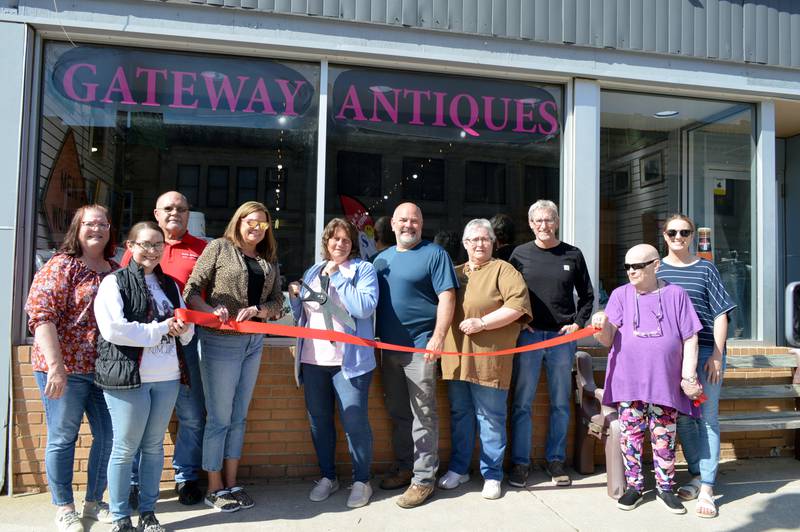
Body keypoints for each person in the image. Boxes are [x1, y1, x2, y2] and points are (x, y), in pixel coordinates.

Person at [184, 201, 285, 513]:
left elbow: (278, 302)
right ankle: (214, 487)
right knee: (219, 418)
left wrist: (260, 310)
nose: (256, 228)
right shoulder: (218, 248)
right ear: (238, 221)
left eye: (262, 224)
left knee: (239, 416)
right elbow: (191, 292)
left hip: (254, 340)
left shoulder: (267, 259)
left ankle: (232, 482)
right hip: (220, 341)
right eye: (250, 221)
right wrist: (211, 312)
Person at [94, 221, 194, 532]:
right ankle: (121, 516)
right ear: (131, 246)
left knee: (152, 447)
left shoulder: (170, 285)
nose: (151, 250)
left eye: (157, 245)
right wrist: (164, 328)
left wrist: (182, 329)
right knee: (125, 448)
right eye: (144, 244)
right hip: (129, 378)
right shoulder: (114, 283)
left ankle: (148, 514)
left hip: (167, 377)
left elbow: (186, 330)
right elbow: (114, 330)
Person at [591, 244, 704, 515]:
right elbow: (607, 339)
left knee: (663, 435)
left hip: (663, 381)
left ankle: (666, 489)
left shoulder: (676, 294)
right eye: (627, 266)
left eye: (637, 266)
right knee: (630, 436)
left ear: (655, 265)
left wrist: (688, 374)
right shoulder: (620, 295)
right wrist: (601, 325)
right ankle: (635, 487)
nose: (631, 271)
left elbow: (690, 336)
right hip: (628, 380)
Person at [25, 205, 117, 532]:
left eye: (103, 223)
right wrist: (56, 367)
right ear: (77, 229)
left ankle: (94, 502)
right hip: (64, 368)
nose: (97, 229)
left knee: (108, 435)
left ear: (110, 229)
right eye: (90, 224)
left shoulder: (115, 269)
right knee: (63, 437)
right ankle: (64, 507)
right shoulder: (61, 266)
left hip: (104, 371)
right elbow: (40, 316)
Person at [120, 191, 207, 507]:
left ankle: (186, 478)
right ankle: (131, 483)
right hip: (142, 346)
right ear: (156, 213)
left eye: (182, 208)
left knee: (192, 415)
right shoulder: (138, 249)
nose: (175, 213)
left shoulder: (203, 249)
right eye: (168, 208)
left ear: (189, 214)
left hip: (186, 345)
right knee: (137, 418)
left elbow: (209, 294)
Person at [373, 202, 458, 508]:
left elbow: (447, 296)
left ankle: (424, 479)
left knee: (424, 415)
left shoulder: (435, 254)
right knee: (398, 413)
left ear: (422, 225)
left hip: (421, 348)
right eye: (403, 220)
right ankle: (404, 466)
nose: (409, 225)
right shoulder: (380, 260)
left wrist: (438, 337)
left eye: (415, 220)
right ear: (393, 225)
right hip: (388, 350)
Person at [289, 218, 379, 508]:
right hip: (313, 360)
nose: (339, 244)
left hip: (349, 363)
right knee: (319, 423)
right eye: (334, 239)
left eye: (345, 239)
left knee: (355, 422)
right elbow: (302, 313)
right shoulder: (313, 271)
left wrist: (338, 275)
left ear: (352, 244)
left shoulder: (363, 270)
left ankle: (361, 481)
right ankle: (328, 476)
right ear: (325, 242)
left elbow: (364, 308)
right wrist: (294, 296)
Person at [439, 219, 531, 500]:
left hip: (489, 360)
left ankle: (492, 474)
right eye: (474, 239)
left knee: (491, 418)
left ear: (493, 243)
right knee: (460, 415)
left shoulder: (504, 270)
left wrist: (483, 323)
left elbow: (517, 306)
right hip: (457, 359)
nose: (479, 244)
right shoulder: (454, 273)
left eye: (485, 239)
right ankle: (459, 469)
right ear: (465, 244)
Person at [508, 199, 594, 487]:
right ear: (531, 224)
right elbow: (506, 294)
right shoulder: (519, 255)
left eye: (549, 220)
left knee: (560, 403)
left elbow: (587, 296)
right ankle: (520, 463)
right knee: (522, 402)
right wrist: (518, 321)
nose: (543, 225)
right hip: (528, 337)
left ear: (556, 222)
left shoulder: (573, 254)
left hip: (561, 338)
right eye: (538, 221)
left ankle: (555, 461)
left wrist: (578, 324)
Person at [657, 214, 736, 518]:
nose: (679, 237)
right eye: (673, 232)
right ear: (664, 236)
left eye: (684, 232)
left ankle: (707, 487)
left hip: (705, 354)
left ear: (692, 236)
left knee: (707, 417)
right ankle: (696, 473)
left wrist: (716, 354)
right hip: (673, 358)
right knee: (685, 418)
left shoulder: (706, 268)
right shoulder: (657, 269)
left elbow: (720, 314)